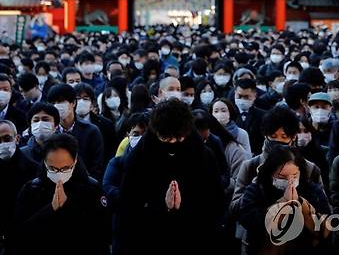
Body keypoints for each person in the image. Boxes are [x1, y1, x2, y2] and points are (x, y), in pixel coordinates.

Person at [118, 99, 224, 255]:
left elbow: (214, 202)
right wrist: (162, 206)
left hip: (193, 238)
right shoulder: (140, 156)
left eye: (178, 138)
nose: (173, 142)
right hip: (150, 239)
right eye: (166, 139)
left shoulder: (203, 156)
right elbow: (128, 207)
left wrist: (185, 205)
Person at [14, 133, 110, 254]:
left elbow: (102, 233)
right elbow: (20, 233)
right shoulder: (32, 189)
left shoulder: (91, 189)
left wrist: (68, 207)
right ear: (44, 162)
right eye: (53, 169)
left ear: (75, 161)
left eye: (65, 168)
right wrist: (50, 209)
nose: (59, 174)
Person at [237, 147, 331, 254]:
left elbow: (326, 223)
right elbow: (248, 219)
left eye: (294, 176)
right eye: (282, 177)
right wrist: (281, 204)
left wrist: (301, 204)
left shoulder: (312, 190)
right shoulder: (257, 190)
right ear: (270, 174)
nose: (290, 182)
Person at [0, 119, 38, 254]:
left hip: (28, 235)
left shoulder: (34, 169)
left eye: (7, 138)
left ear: (17, 138)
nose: (3, 144)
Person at [103, 113, 149, 255]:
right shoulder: (117, 163)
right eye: (136, 133)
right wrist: (131, 198)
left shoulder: (158, 163)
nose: (140, 138)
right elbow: (108, 186)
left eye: (145, 134)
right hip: (123, 223)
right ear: (128, 134)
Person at [47, 83, 105, 179]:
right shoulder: (49, 132)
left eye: (61, 101)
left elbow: (97, 167)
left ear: (73, 103)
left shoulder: (91, 131)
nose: (56, 106)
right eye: (53, 103)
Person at [234, 77, 267, 154]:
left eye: (246, 97)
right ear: (235, 93)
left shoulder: (263, 116)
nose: (242, 99)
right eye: (239, 96)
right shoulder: (228, 113)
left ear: (254, 95)